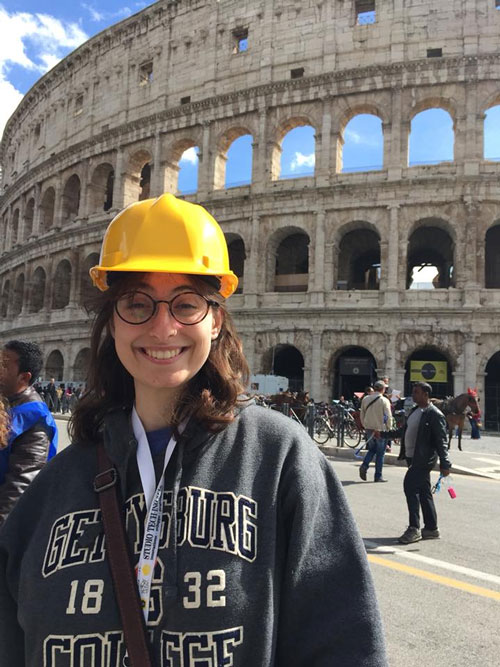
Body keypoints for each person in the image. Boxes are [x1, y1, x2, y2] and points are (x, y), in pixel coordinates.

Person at [0, 194, 386, 666]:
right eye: (136, 304)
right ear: (111, 320)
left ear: (216, 319)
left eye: (186, 304)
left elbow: (344, 646)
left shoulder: (279, 459)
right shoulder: (57, 485)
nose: (163, 328)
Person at [383, 382, 452, 544]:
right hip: (413, 457)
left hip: (423, 459)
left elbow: (441, 441)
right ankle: (431, 528)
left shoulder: (435, 414)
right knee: (423, 491)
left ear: (425, 395)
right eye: (413, 392)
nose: (413, 395)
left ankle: (414, 528)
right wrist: (384, 434)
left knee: (410, 486)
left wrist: (445, 463)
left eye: (416, 392)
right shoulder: (415, 411)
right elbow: (403, 431)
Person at [0, 340, 58, 528]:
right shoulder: (7, 402)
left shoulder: (36, 422)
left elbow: (18, 491)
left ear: (23, 378)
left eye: (5, 365)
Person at [359, 380, 392, 483]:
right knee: (380, 453)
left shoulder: (366, 399)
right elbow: (388, 416)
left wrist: (365, 424)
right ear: (383, 389)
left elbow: (362, 413)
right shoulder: (384, 400)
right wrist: (389, 428)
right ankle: (378, 475)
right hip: (380, 429)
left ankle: (364, 465)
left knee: (372, 449)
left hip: (369, 428)